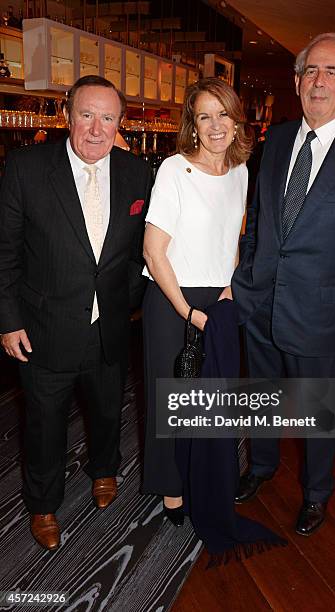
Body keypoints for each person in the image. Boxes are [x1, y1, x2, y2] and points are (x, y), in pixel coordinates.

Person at [232, 33, 335, 536]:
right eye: (311, 71)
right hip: (260, 301)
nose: (319, 81)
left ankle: (316, 492)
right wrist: (245, 276)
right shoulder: (278, 139)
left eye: (331, 71)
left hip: (321, 311)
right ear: (297, 80)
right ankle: (261, 466)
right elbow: (260, 216)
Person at [0, 75, 151, 550]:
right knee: (43, 423)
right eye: (87, 114)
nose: (95, 128)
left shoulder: (136, 172)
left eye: (108, 118)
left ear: (119, 123)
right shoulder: (25, 167)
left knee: (108, 410)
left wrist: (124, 298)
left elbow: (136, 252)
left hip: (108, 325)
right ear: (68, 114)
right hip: (42, 328)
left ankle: (104, 470)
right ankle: (43, 504)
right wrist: (8, 319)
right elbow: (4, 251)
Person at [141, 77, 251, 525]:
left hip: (221, 300)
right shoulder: (173, 169)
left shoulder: (242, 171)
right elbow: (153, 250)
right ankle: (170, 488)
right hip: (173, 299)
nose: (215, 124)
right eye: (204, 116)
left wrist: (230, 289)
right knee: (171, 400)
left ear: (235, 118)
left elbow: (234, 238)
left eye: (222, 113)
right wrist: (188, 312)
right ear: (193, 124)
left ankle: (204, 474)